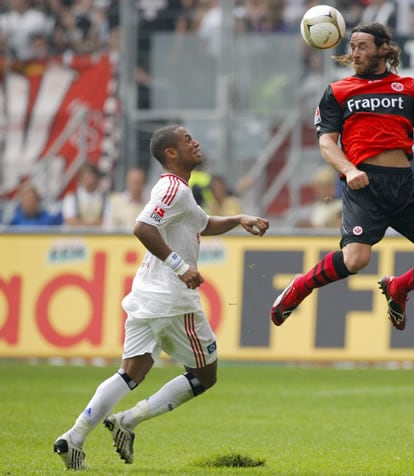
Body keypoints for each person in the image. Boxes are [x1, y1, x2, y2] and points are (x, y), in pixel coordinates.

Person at [53, 125, 270, 470]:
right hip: (172, 299)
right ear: (171, 153)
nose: (195, 142)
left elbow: (203, 223)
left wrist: (238, 218)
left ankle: (74, 436)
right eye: (187, 140)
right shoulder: (172, 189)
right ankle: (129, 421)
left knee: (130, 374)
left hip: (145, 296)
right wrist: (180, 265)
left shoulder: (179, 192)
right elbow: (142, 227)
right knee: (205, 375)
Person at [270, 22, 414, 331]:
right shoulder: (338, 91)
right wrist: (349, 170)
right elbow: (326, 143)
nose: (355, 53)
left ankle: (400, 288)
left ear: (383, 49)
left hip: (405, 186)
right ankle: (301, 286)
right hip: (364, 183)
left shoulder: (410, 88)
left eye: (362, 46)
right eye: (352, 47)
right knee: (355, 260)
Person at [62, 161, 108, 227]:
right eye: (86, 177)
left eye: (91, 176)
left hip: (98, 236)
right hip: (75, 236)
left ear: (97, 177)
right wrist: (92, 224)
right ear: (80, 179)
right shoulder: (71, 197)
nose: (89, 180)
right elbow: (70, 221)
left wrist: (81, 223)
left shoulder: (105, 197)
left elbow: (106, 221)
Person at [105, 167, 148, 231]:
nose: (136, 185)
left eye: (139, 182)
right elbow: (107, 228)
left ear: (144, 183)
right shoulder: (114, 201)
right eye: (133, 181)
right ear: (127, 181)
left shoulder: (149, 205)